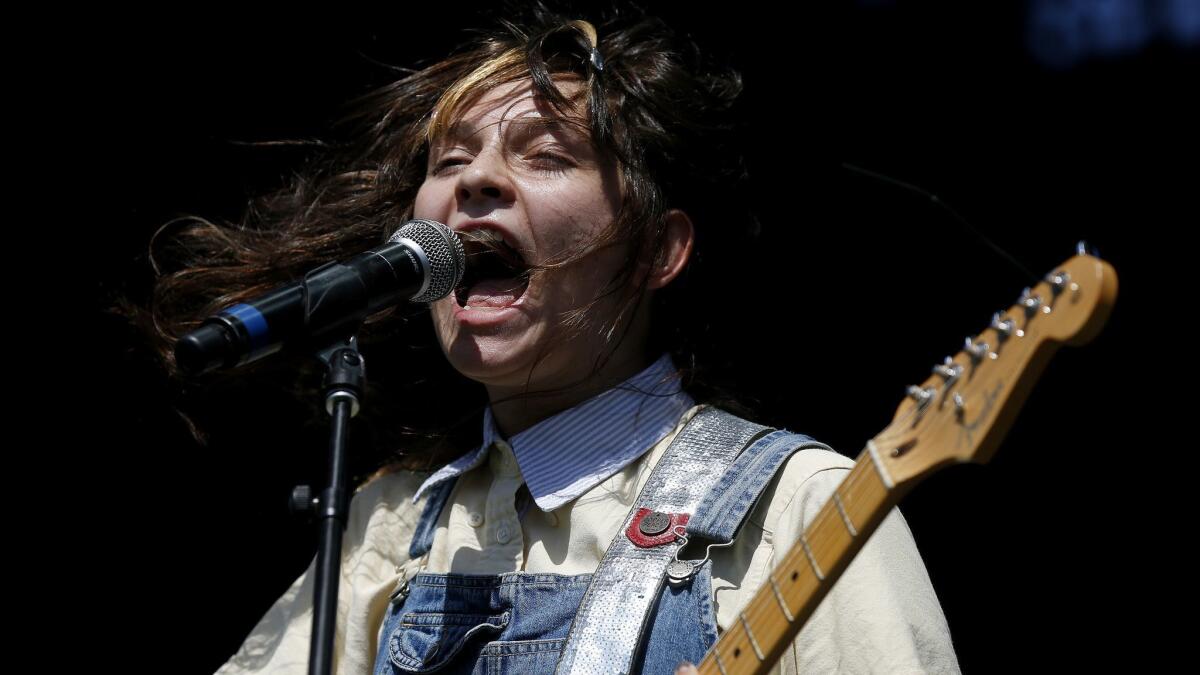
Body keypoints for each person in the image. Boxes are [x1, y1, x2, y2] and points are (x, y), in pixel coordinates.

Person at [126, 3, 961, 673]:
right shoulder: (391, 524)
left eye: (546, 155)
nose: (478, 179)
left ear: (657, 250)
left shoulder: (800, 504)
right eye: (449, 161)